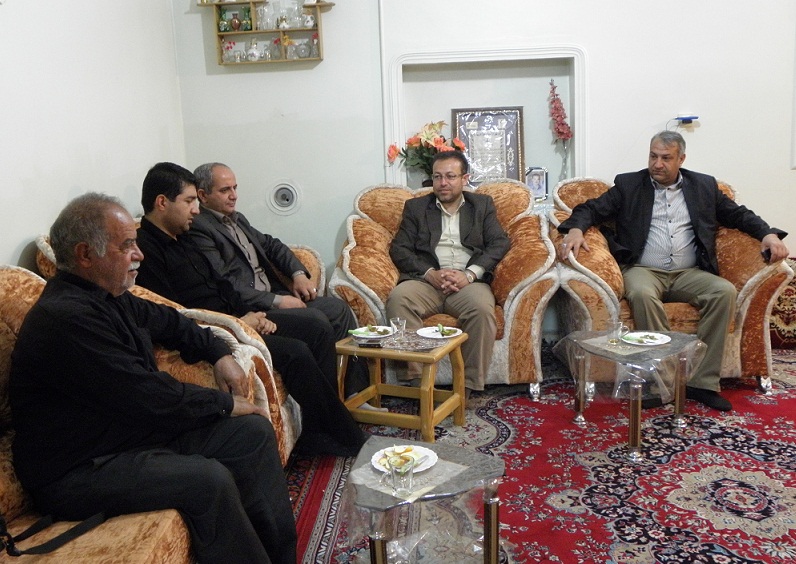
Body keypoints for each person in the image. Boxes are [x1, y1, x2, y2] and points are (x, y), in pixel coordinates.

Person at [10, 193, 296, 563]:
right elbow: (145, 394)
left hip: (128, 434)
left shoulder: (107, 296)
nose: (139, 254)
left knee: (251, 434)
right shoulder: (66, 318)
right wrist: (223, 403)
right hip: (78, 469)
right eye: (127, 245)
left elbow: (171, 321)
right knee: (207, 480)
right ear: (85, 255)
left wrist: (219, 353)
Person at [135, 162, 370, 456]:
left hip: (238, 316)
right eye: (189, 201)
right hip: (217, 330)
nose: (195, 210)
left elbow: (223, 283)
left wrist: (253, 315)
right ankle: (343, 436)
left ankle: (328, 424)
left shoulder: (181, 236)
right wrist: (241, 322)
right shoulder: (146, 250)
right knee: (299, 348)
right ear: (162, 202)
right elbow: (176, 313)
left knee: (320, 325)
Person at [557, 131, 789, 412]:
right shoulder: (629, 184)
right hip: (643, 269)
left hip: (688, 272)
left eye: (666, 158)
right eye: (653, 156)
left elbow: (738, 215)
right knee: (641, 294)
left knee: (723, 292)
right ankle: (663, 381)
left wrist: (768, 234)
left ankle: (702, 382)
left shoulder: (704, 186)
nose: (657, 164)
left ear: (681, 159)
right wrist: (576, 229)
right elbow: (591, 209)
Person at [187, 162, 368, 396]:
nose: (234, 196)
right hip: (253, 307)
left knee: (338, 309)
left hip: (274, 293)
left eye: (235, 188)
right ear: (203, 195)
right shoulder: (200, 228)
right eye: (225, 190)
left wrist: (298, 274)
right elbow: (225, 281)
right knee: (316, 320)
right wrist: (277, 301)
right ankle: (330, 399)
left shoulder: (236, 219)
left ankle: (354, 393)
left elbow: (272, 245)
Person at [386, 151, 510, 398]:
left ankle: (467, 387)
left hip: (468, 283)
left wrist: (470, 274)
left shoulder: (481, 205)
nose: (443, 183)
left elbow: (499, 243)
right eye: (437, 177)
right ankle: (418, 384)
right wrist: (429, 273)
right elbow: (399, 248)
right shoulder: (416, 207)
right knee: (399, 299)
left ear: (465, 178)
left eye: (450, 176)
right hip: (427, 282)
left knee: (482, 311)